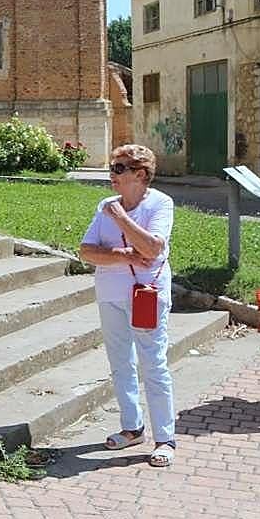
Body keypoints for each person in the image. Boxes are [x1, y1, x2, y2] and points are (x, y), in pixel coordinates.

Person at [78, 144, 177, 468]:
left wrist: (120, 218)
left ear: (141, 174)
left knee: (153, 364)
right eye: (112, 167)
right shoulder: (104, 205)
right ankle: (132, 428)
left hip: (147, 295)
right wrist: (122, 256)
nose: (112, 175)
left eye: (119, 169)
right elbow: (86, 251)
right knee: (120, 362)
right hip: (110, 293)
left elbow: (152, 248)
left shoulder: (160, 204)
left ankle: (165, 438)